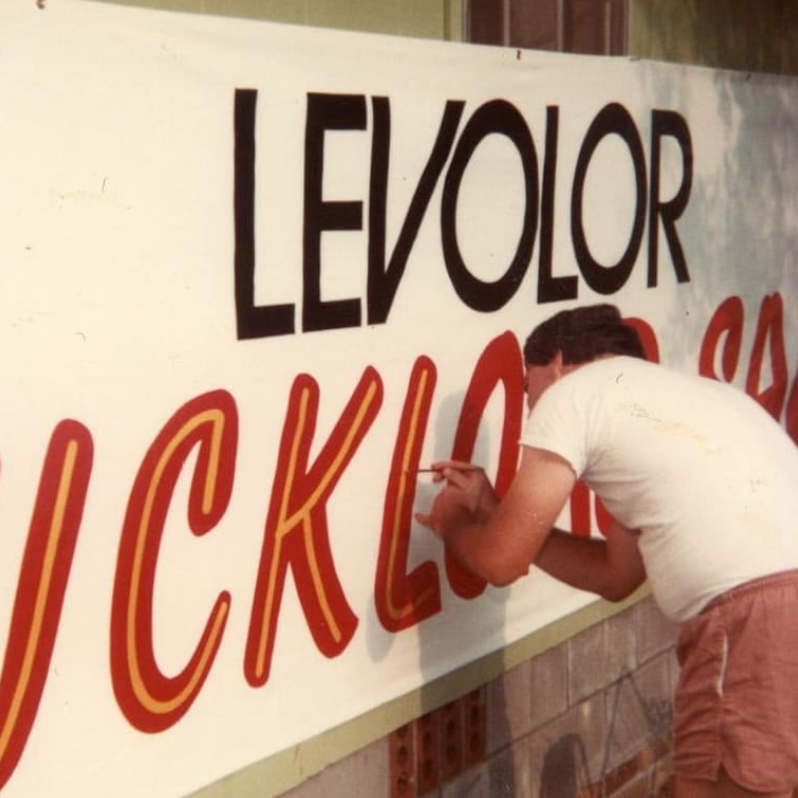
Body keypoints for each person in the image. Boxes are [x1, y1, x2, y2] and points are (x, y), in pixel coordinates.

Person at [415, 304, 798, 798]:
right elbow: (616, 577)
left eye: (529, 393)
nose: (532, 414)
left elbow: (500, 562)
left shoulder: (572, 396)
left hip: (755, 620)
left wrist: (452, 527)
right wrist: (495, 511)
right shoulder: (684, 401)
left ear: (556, 363)